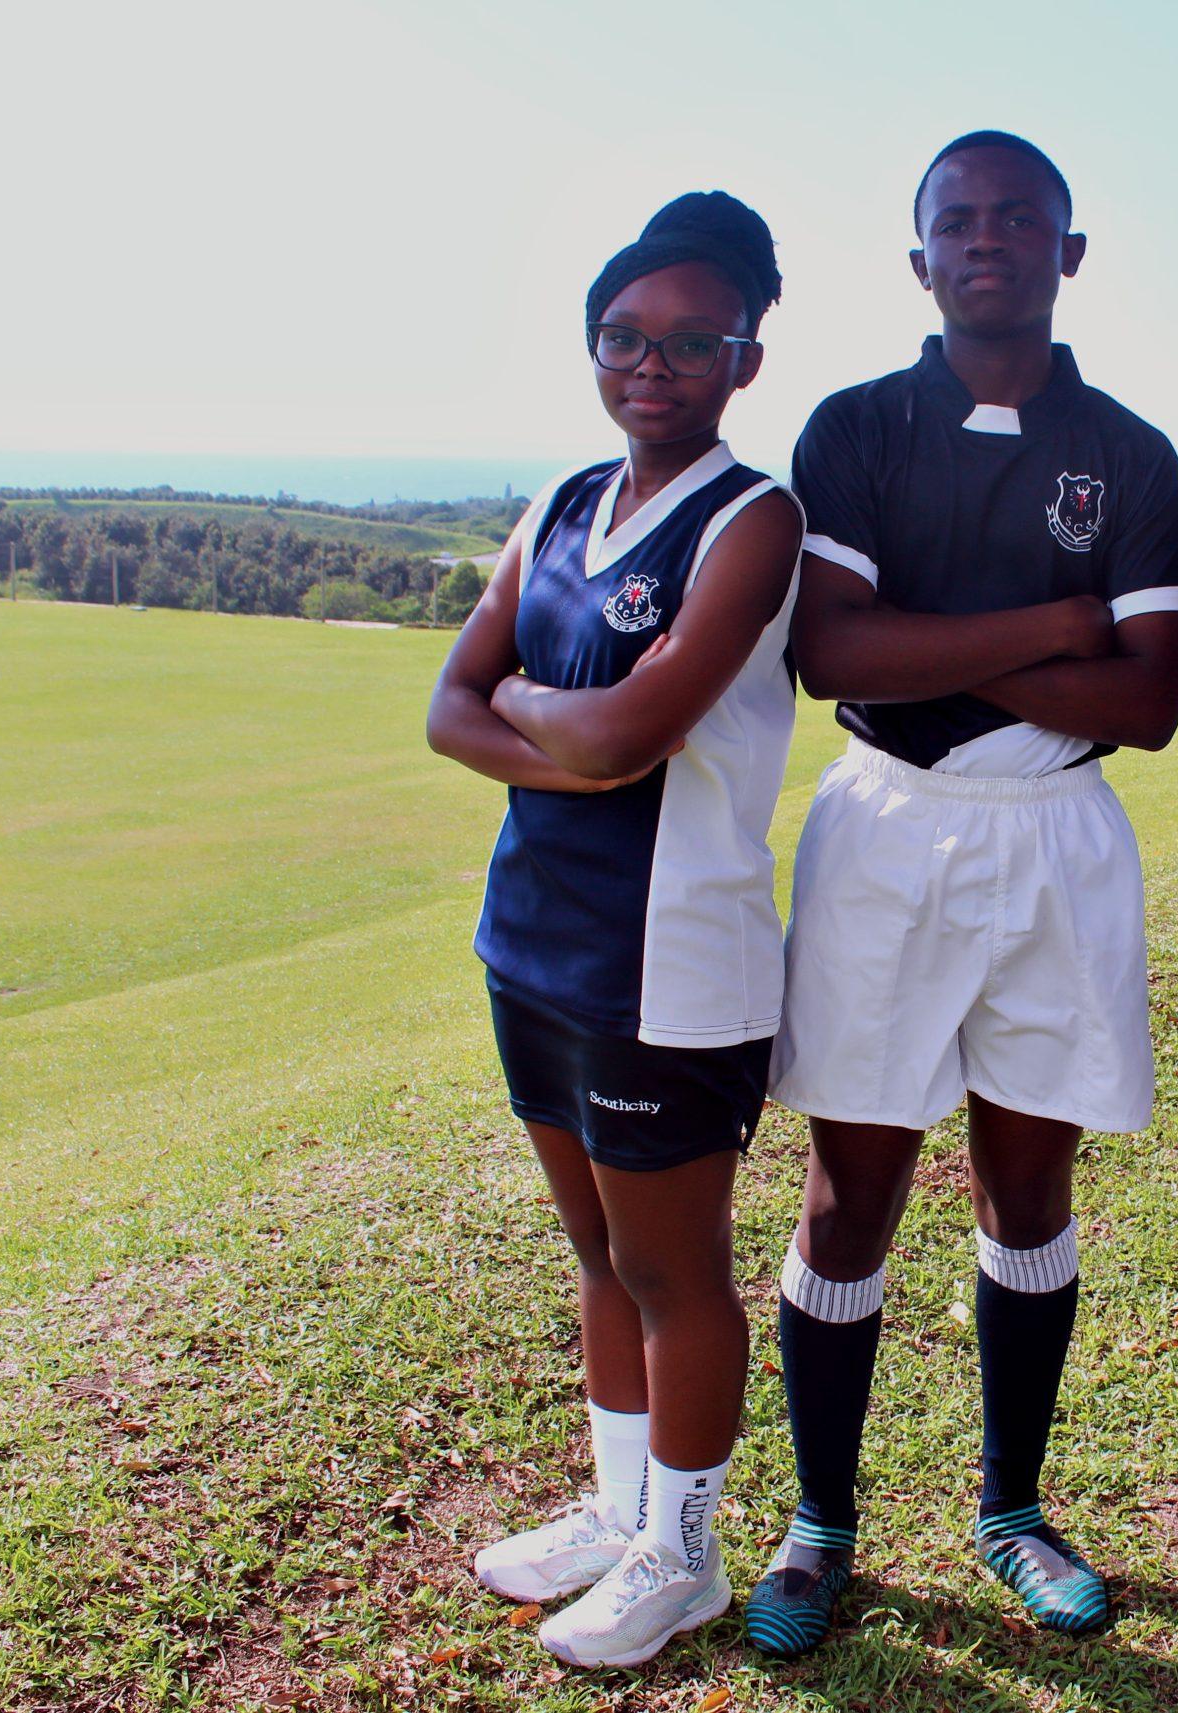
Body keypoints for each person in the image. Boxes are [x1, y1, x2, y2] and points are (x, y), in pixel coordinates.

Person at [742, 131, 1178, 1657]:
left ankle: (1012, 1508)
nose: (987, 238)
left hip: (1060, 829)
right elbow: (836, 654)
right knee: (851, 1188)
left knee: (1029, 1183)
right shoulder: (859, 428)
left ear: (1069, 254)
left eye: (1019, 218)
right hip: (890, 823)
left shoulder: (1130, 454)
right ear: (919, 256)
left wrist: (941, 636)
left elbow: (1146, 702)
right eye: (958, 220)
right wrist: (1056, 623)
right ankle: (821, 1523)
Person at [423, 191, 803, 1669]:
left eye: (692, 341)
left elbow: (635, 734)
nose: (653, 365)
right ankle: (621, 1504)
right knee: (594, 1248)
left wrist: (547, 713)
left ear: (745, 357)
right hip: (533, 939)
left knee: (672, 1269)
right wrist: (556, 724)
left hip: (673, 964)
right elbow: (451, 705)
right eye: (623, 336)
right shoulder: (566, 502)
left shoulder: (752, 520)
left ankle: (683, 1555)